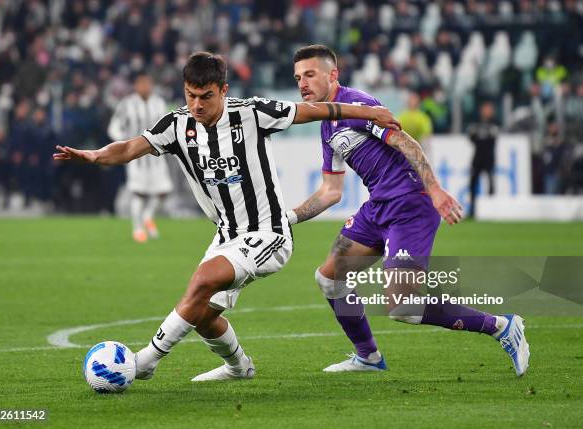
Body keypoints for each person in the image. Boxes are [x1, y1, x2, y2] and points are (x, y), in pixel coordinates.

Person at [54, 52, 401, 382]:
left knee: (203, 280)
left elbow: (313, 110)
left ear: (224, 91)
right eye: (190, 96)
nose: (197, 105)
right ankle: (239, 367)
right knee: (201, 315)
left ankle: (145, 362)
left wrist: (371, 114)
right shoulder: (177, 125)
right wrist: (96, 155)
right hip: (226, 234)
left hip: (268, 233)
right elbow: (131, 147)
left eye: (206, 96)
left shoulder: (252, 114)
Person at [288, 45, 529, 376]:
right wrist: (290, 218)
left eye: (310, 75)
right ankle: (368, 357)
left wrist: (434, 190)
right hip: (378, 206)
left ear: (332, 75)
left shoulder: (359, 105)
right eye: (298, 77)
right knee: (329, 279)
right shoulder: (326, 124)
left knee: (403, 306)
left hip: (411, 204)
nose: (302, 84)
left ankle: (502, 327)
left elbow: (406, 142)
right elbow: (331, 191)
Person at [108, 72, 174, 242]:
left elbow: (167, 125)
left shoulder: (159, 103)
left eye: (148, 83)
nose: (145, 87)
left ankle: (147, 216)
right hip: (136, 156)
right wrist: (123, 143)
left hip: (156, 155)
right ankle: (137, 229)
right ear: (136, 85)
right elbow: (114, 127)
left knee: (163, 190)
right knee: (138, 193)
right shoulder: (127, 104)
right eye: (141, 83)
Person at [467, 102, 499, 218]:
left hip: (489, 159)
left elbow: (492, 138)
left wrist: (480, 136)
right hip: (477, 159)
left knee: (491, 185)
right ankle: (472, 210)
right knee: (472, 185)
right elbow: (471, 137)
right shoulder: (476, 123)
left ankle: (492, 210)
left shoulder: (495, 123)